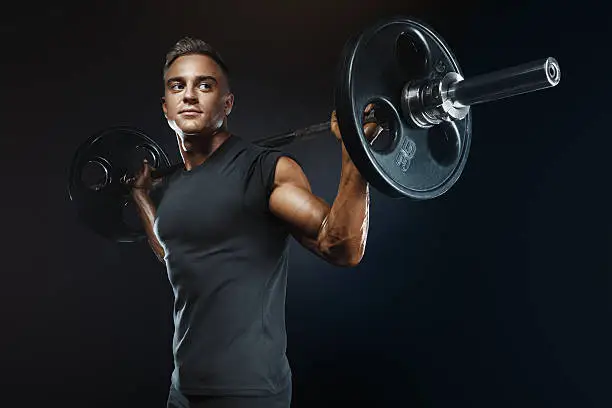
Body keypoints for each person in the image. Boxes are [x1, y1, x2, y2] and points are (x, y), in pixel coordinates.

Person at [125, 37, 379, 408]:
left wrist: (356, 151)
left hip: (250, 394)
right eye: (178, 86)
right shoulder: (171, 186)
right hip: (182, 392)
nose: (190, 95)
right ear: (166, 108)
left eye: (205, 85)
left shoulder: (265, 171)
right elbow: (171, 253)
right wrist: (140, 198)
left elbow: (340, 247)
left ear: (227, 103)